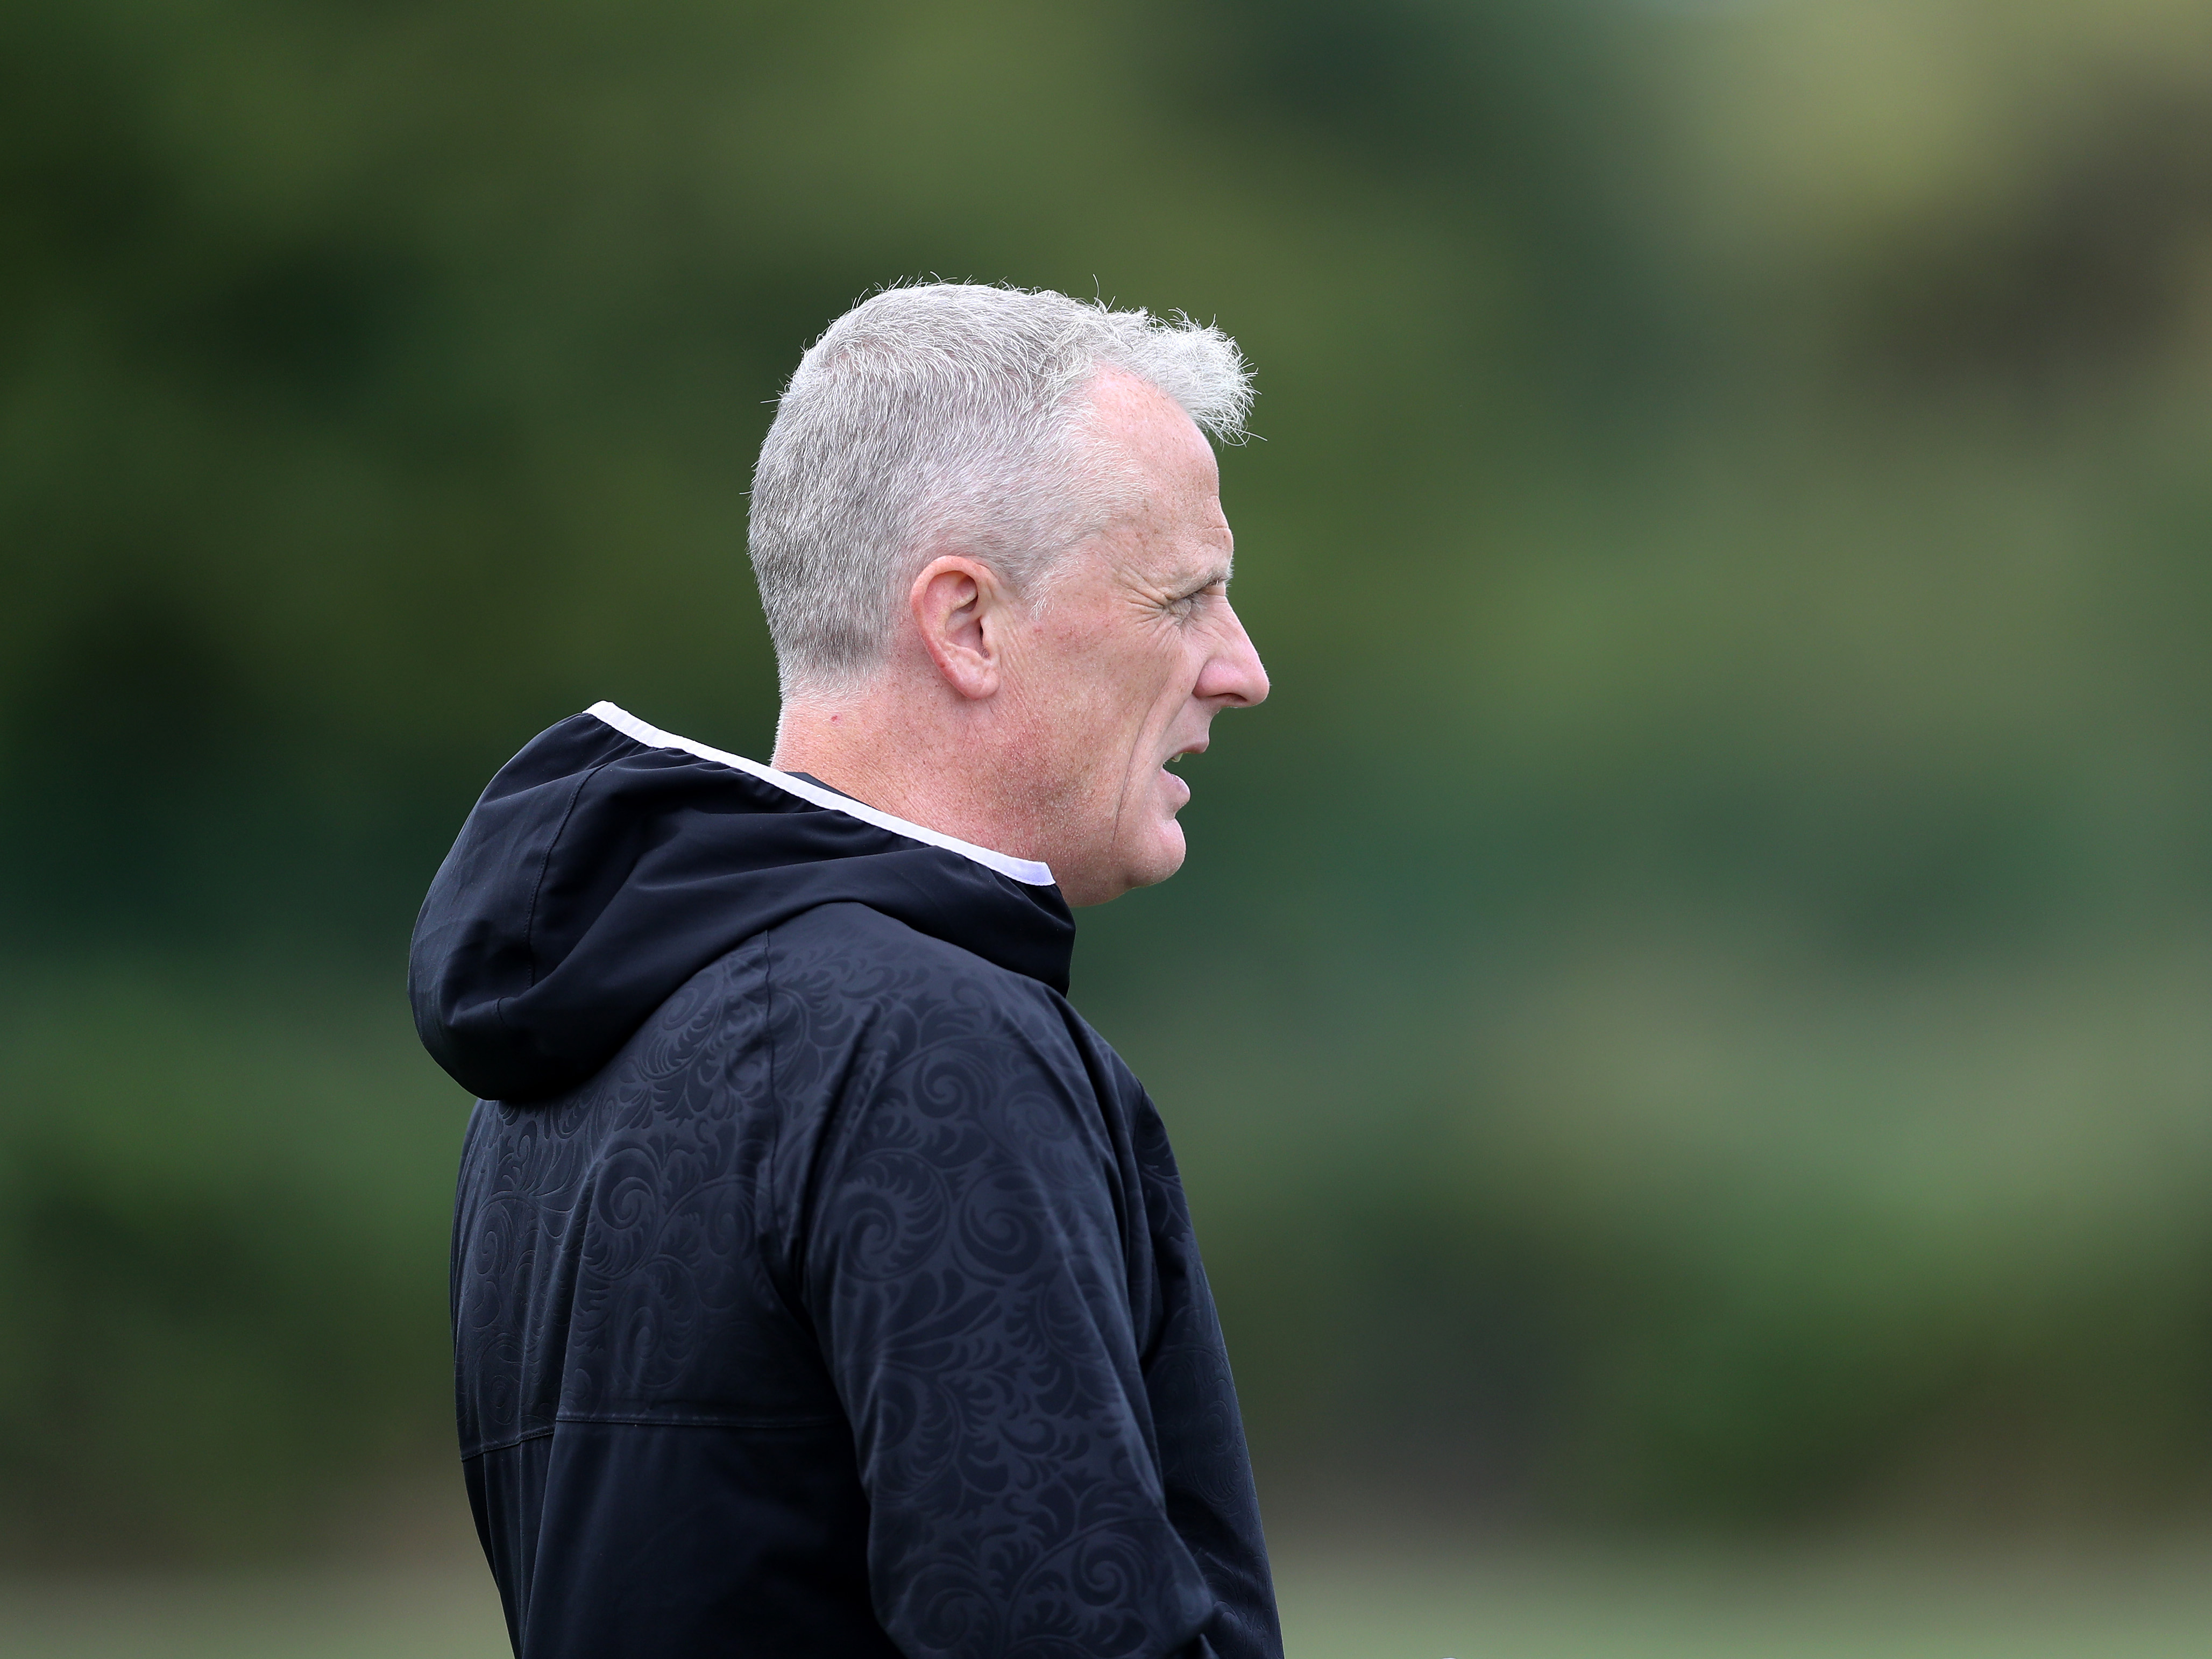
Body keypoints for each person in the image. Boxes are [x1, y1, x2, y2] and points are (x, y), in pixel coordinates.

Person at [409, 283, 1279, 1658]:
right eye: (1183, 598)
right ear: (968, 624)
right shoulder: (932, 1045)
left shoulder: (581, 1037)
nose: (1241, 670)